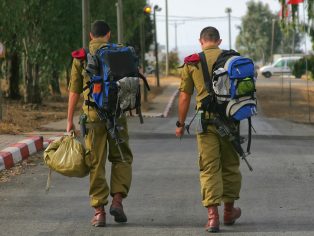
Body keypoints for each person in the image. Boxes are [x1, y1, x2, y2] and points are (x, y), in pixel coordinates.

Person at [175, 26, 242, 233]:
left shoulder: (192, 62)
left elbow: (185, 96)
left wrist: (180, 124)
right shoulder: (232, 59)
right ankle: (229, 212)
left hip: (205, 123)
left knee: (209, 168)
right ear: (219, 41)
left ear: (201, 41)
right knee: (230, 165)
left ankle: (213, 217)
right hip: (231, 121)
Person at [67, 20, 133, 227]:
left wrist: (69, 120)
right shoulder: (121, 52)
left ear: (90, 36)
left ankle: (99, 212)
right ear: (109, 35)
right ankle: (117, 201)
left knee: (96, 162)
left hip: (93, 117)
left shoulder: (82, 57)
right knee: (122, 158)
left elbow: (74, 91)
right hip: (117, 114)